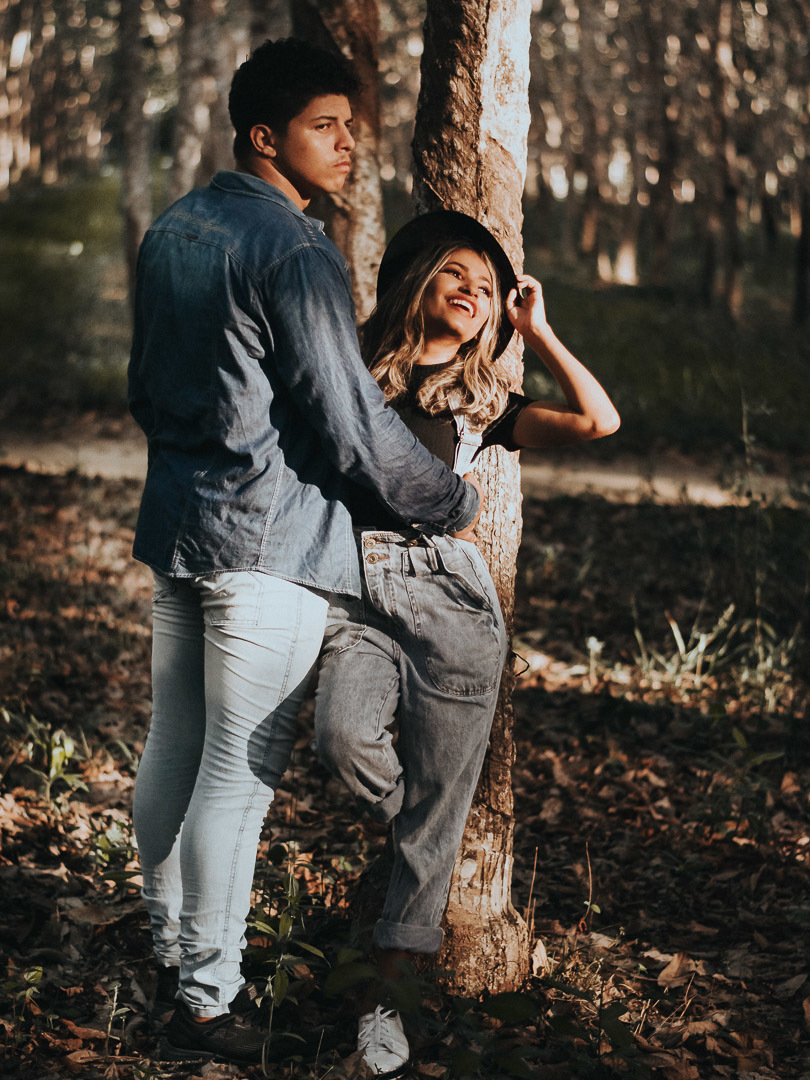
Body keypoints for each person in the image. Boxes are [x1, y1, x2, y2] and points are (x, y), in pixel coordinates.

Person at [127, 42, 482, 1067]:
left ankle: (169, 952)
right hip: (268, 543)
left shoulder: (174, 227)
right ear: (265, 137)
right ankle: (205, 997)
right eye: (327, 127)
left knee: (175, 751)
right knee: (236, 777)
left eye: (350, 128)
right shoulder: (295, 251)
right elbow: (352, 432)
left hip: (180, 524)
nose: (347, 147)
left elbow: (151, 386)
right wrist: (448, 498)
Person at [313, 210, 620, 1076]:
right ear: (417, 283)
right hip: (356, 593)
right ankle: (429, 837)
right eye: (456, 275)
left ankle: (386, 1012)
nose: (473, 293)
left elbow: (601, 422)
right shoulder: (354, 377)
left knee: (430, 833)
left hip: (450, 608)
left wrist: (540, 329)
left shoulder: (487, 404)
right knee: (342, 739)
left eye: (486, 289)